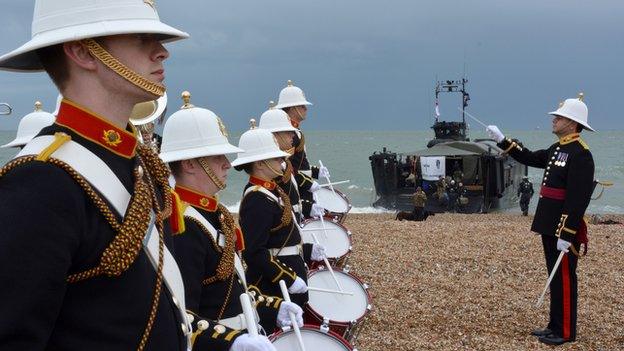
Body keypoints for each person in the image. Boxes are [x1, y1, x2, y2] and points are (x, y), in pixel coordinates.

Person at [0, 1, 238, 349]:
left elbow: (159, 308)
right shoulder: (39, 182)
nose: (162, 53)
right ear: (83, 52)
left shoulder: (143, 167)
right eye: (142, 38)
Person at [160, 92, 299, 350]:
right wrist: (231, 342)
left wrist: (273, 306)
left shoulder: (215, 214)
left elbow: (233, 288)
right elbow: (180, 317)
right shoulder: (183, 225)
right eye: (217, 157)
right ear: (190, 164)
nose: (227, 164)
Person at [486, 93, 594, 345]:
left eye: (560, 116)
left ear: (573, 122)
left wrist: (567, 233)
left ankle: (566, 331)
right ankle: (554, 325)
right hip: (549, 222)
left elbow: (578, 198)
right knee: (554, 276)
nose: (554, 119)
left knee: (565, 277)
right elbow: (531, 158)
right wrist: (503, 141)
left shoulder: (580, 154)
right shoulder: (558, 148)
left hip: (563, 227)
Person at [232, 121, 310, 309]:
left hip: (288, 271)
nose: (281, 162)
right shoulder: (257, 198)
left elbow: (283, 237)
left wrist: (307, 250)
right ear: (259, 163)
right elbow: (254, 252)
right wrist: (288, 278)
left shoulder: (271, 191)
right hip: (274, 284)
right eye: (275, 159)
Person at [275, 80, 329, 218]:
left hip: (300, 186)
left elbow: (299, 164)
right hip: (297, 188)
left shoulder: (296, 131)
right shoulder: (288, 134)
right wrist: (308, 183)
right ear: (293, 108)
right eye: (302, 106)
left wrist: (316, 172)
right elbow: (287, 168)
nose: (306, 108)